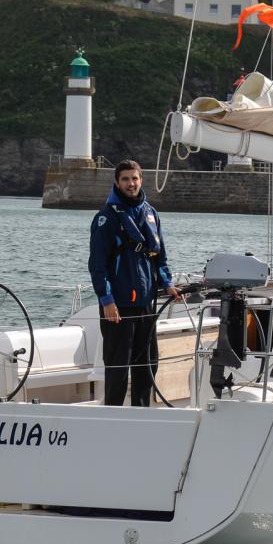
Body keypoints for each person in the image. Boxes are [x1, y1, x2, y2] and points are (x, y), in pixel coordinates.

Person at [88, 160, 180, 406]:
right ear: (117, 182)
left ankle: (142, 413)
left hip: (146, 303)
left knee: (148, 363)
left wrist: (168, 283)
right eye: (126, 179)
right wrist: (106, 300)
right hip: (118, 307)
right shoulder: (106, 218)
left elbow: (160, 256)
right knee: (118, 367)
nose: (131, 184)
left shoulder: (151, 214)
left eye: (135, 178)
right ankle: (113, 415)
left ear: (141, 180)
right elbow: (97, 266)